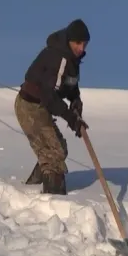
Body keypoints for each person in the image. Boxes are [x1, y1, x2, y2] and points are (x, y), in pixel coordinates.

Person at [14, 19, 90, 195]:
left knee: (59, 148)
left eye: (85, 44)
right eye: (78, 43)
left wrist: (76, 102)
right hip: (30, 106)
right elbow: (50, 96)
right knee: (54, 152)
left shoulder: (72, 60)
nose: (82, 48)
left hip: (41, 107)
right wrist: (71, 119)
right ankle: (53, 199)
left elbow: (70, 85)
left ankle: (32, 187)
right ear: (69, 40)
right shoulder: (59, 57)